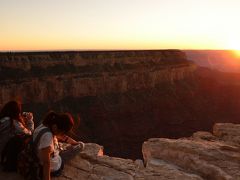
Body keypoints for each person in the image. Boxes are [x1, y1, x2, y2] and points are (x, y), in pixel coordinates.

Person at [33, 111, 84, 180]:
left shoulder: (45, 124)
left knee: (63, 146)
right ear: (58, 128)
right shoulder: (48, 137)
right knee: (81, 145)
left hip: (43, 155)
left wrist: (70, 141)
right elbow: (46, 163)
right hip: (55, 167)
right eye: (63, 132)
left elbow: (58, 135)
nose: (62, 134)